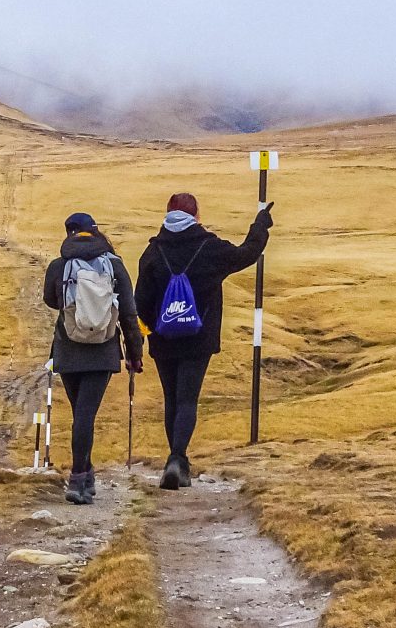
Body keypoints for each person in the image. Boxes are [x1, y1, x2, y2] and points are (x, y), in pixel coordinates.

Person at [134, 193, 273, 490]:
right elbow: (246, 254)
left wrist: (146, 334)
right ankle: (177, 459)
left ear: (167, 214)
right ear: (196, 216)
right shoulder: (209, 247)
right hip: (198, 338)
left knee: (171, 399)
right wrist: (260, 226)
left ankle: (176, 462)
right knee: (187, 399)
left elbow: (140, 303)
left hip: (163, 337)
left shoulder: (153, 252)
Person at [43, 212, 144, 505]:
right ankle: (81, 476)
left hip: (68, 348)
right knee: (85, 415)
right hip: (103, 350)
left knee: (81, 414)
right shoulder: (114, 265)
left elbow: (51, 300)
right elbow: (128, 312)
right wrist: (134, 354)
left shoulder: (59, 265)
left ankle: (81, 477)